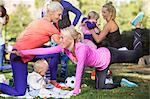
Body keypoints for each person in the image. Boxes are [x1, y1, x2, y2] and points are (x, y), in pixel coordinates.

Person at [12, 13, 144, 95]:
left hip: (109, 55)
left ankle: (137, 26)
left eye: (63, 37)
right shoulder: (64, 48)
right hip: (101, 66)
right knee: (100, 87)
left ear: (71, 39)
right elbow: (44, 50)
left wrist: (76, 90)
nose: (60, 39)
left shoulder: (81, 49)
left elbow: (79, 70)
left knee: (137, 54)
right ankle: (121, 82)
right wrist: (22, 52)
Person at [0, 1, 64, 96]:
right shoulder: (49, 27)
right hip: (18, 57)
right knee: (20, 92)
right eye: (59, 14)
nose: (60, 18)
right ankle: (52, 80)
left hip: (24, 53)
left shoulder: (36, 22)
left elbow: (19, 38)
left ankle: (51, 79)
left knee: (53, 53)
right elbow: (62, 44)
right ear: (51, 12)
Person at [0, 5, 10, 71]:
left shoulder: (1, 20)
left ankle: (14, 66)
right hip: (1, 44)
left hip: (0, 44)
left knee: (0, 67)